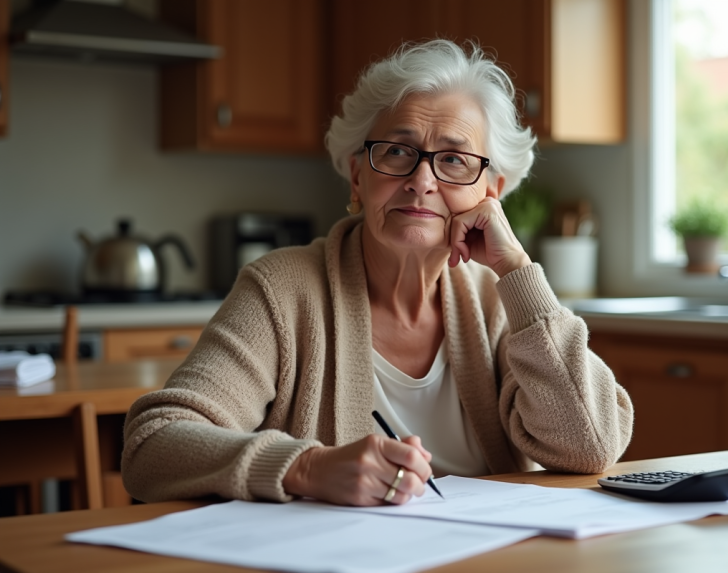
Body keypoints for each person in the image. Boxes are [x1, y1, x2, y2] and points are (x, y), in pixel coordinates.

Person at [122, 39, 633, 507]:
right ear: (358, 177)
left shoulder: (502, 301)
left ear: (490, 192)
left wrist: (517, 270)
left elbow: (590, 448)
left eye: (454, 160)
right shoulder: (282, 290)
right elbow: (154, 443)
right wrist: (305, 467)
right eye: (396, 152)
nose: (421, 181)